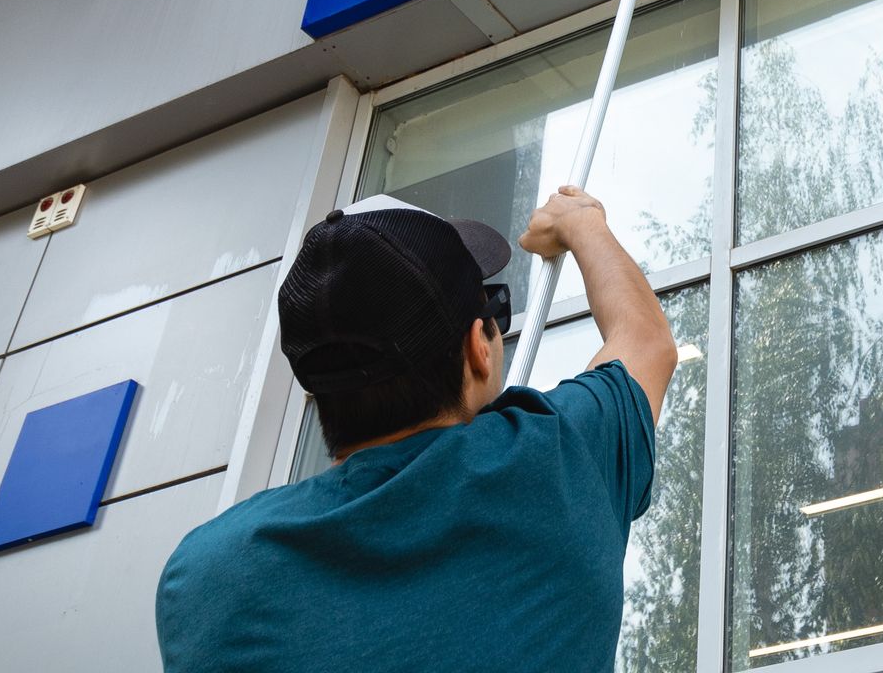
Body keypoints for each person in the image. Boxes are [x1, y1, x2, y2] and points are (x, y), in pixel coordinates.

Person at [155, 186, 678, 671]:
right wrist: (583, 223)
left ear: (315, 392)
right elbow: (645, 342)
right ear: (478, 348)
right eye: (495, 309)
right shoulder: (558, 465)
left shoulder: (205, 579)